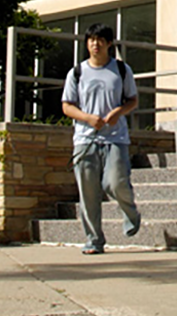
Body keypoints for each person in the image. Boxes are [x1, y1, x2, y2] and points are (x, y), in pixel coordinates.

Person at [61, 23, 142, 254]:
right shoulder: (76, 72)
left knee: (114, 183)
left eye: (100, 40)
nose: (95, 44)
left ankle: (131, 214)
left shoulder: (122, 70)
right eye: (91, 40)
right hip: (85, 140)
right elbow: (67, 106)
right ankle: (94, 240)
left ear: (109, 44)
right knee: (88, 193)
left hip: (116, 138)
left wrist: (118, 112)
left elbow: (133, 100)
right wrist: (87, 118)